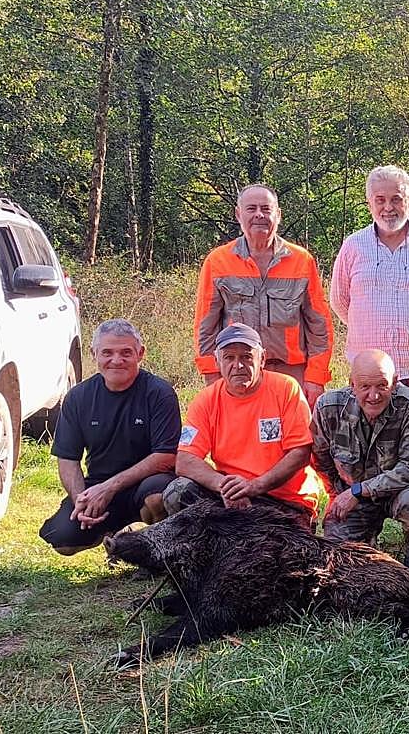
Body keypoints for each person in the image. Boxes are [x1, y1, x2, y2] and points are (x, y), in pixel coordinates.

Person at [39, 319, 180, 555]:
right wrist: (81, 500)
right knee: (62, 540)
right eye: (107, 353)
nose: (117, 360)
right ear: (94, 354)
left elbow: (166, 456)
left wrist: (110, 488)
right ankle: (116, 534)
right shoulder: (77, 397)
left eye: (126, 352)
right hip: (98, 485)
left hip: (149, 483)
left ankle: (155, 550)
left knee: (158, 499)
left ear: (140, 354)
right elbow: (67, 459)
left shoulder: (159, 393)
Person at [330, 165, 409, 426]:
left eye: (396, 199)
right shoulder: (353, 247)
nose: (388, 207)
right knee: (365, 448)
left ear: (408, 201)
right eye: (380, 200)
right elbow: (340, 301)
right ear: (369, 203)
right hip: (367, 375)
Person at [164, 323, 320, 527]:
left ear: (262, 358)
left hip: (284, 501)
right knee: (177, 492)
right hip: (232, 498)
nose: (238, 365)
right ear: (217, 362)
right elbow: (185, 461)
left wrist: (255, 486)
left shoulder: (286, 388)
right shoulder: (206, 400)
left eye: (246, 356)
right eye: (229, 357)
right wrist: (225, 487)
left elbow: (300, 453)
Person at [194, 183, 333, 408]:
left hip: (291, 373)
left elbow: (319, 326)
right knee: (241, 438)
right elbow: (205, 326)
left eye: (266, 209)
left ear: (278, 215)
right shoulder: (218, 262)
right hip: (238, 371)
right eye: (251, 209)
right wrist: (212, 374)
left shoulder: (301, 261)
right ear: (238, 214)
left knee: (298, 439)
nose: (259, 215)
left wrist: (316, 378)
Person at [311, 349, 409, 574]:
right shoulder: (328, 407)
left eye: (382, 386)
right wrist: (335, 494)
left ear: (395, 382)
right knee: (341, 564)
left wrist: (360, 490)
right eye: (365, 387)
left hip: (399, 492)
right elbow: (320, 458)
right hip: (353, 497)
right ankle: (366, 546)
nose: (374, 395)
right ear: (351, 384)